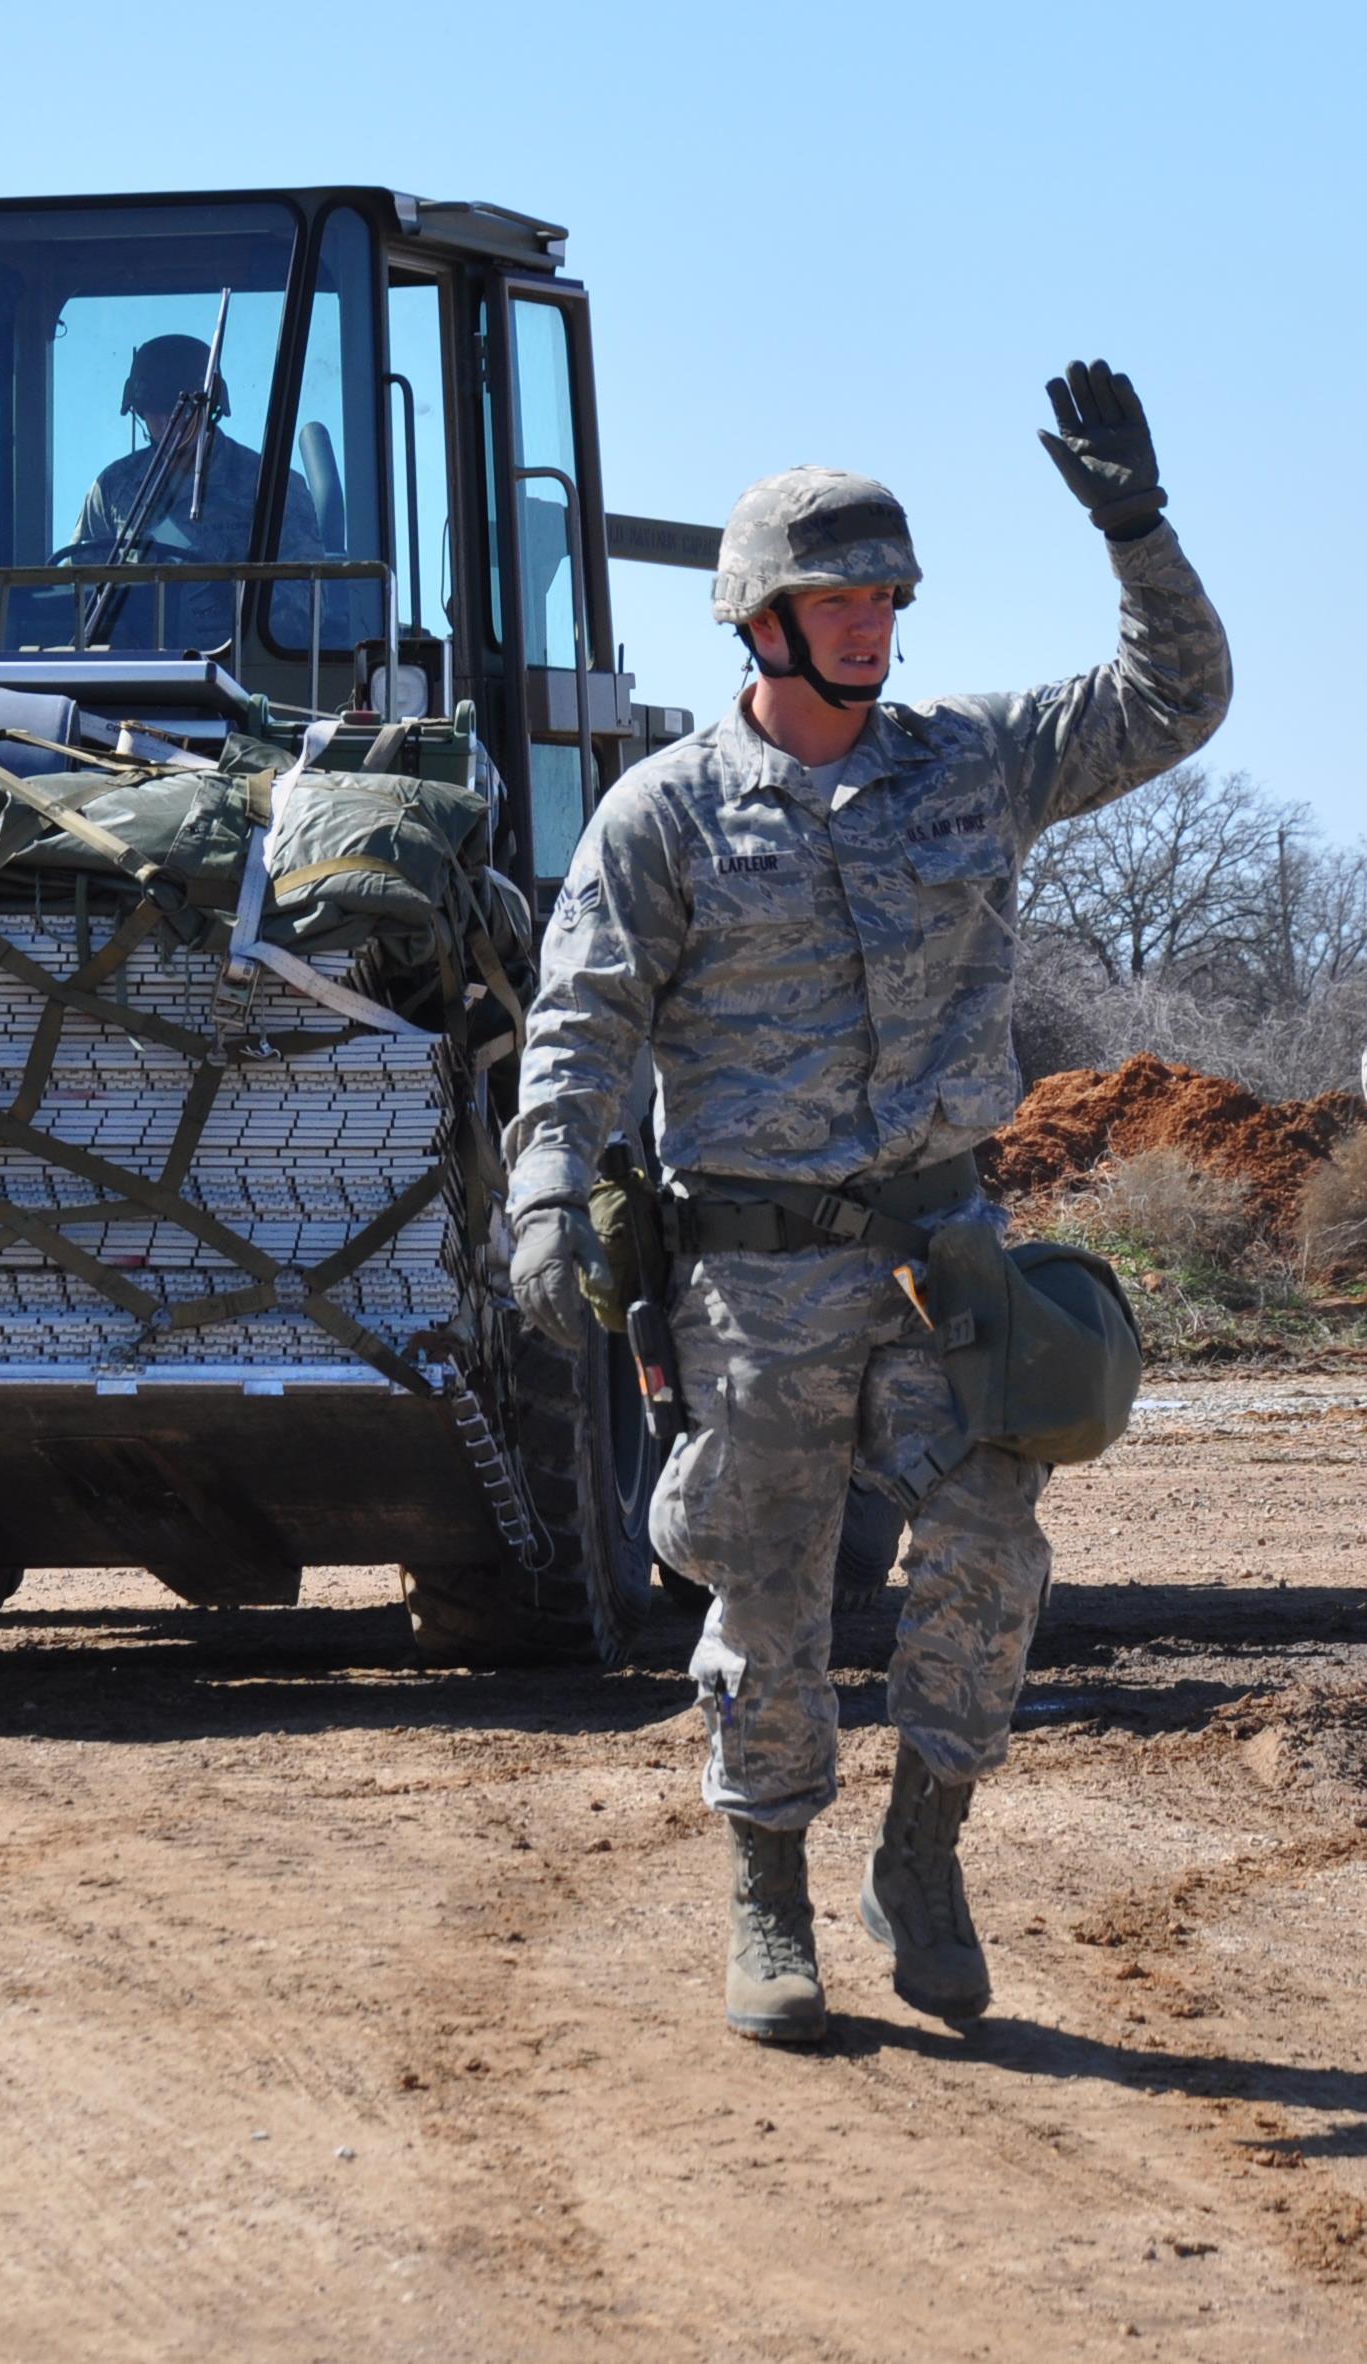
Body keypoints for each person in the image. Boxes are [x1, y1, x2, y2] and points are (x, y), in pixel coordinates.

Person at [505, 363, 1230, 2043]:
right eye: (833, 597)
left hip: (937, 1256)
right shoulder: (664, 812)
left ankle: (924, 1854)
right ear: (759, 620)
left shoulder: (970, 764)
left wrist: (1136, 530)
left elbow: (1174, 699)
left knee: (989, 1539)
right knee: (763, 1588)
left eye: (884, 596)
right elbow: (583, 1019)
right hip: (751, 1280)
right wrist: (551, 1184)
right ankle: (767, 1890)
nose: (866, 623)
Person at [68, 333, 323, 646]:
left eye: (183, 410)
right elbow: (77, 593)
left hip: (243, 676)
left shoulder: (272, 488)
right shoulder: (112, 490)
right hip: (132, 680)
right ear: (138, 411)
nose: (168, 421)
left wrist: (232, 608)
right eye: (154, 409)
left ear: (211, 407)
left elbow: (304, 604)